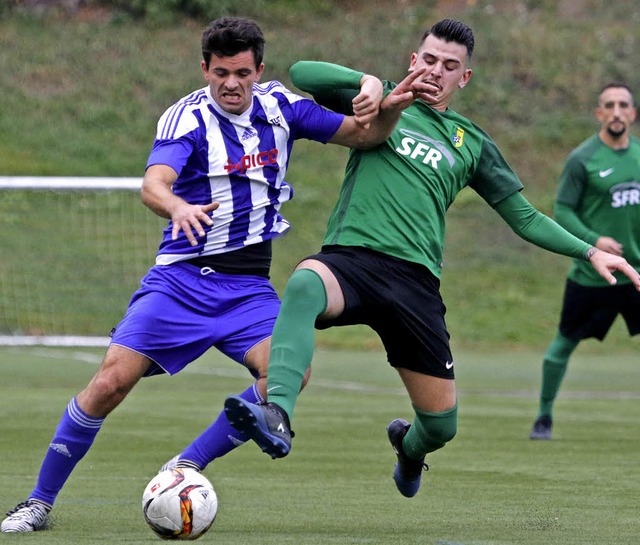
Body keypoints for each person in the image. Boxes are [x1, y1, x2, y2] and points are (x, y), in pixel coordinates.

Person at [1, 17, 426, 533]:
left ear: (258, 70)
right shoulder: (186, 119)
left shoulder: (281, 107)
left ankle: (184, 467)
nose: (231, 83)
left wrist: (385, 104)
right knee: (110, 382)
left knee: (288, 373)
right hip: (180, 281)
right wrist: (177, 207)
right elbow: (153, 184)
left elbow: (365, 135)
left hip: (248, 289)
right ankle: (38, 502)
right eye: (221, 72)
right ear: (205, 68)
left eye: (242, 72)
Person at [223, 19, 640, 498]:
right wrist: (370, 85)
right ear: (412, 60)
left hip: (414, 283)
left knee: (441, 426)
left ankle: (409, 448)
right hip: (352, 261)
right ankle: (278, 414)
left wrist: (589, 250)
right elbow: (302, 72)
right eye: (428, 59)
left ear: (463, 78)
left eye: (449, 66)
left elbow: (524, 217)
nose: (435, 71)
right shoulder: (379, 102)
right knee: (303, 283)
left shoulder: (472, 142)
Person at [529, 83, 640, 440]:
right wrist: (594, 241)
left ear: (633, 113)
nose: (617, 111)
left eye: (624, 105)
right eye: (609, 105)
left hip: (636, 274)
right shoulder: (582, 159)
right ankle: (544, 417)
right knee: (561, 347)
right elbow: (562, 209)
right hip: (593, 276)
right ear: (599, 114)